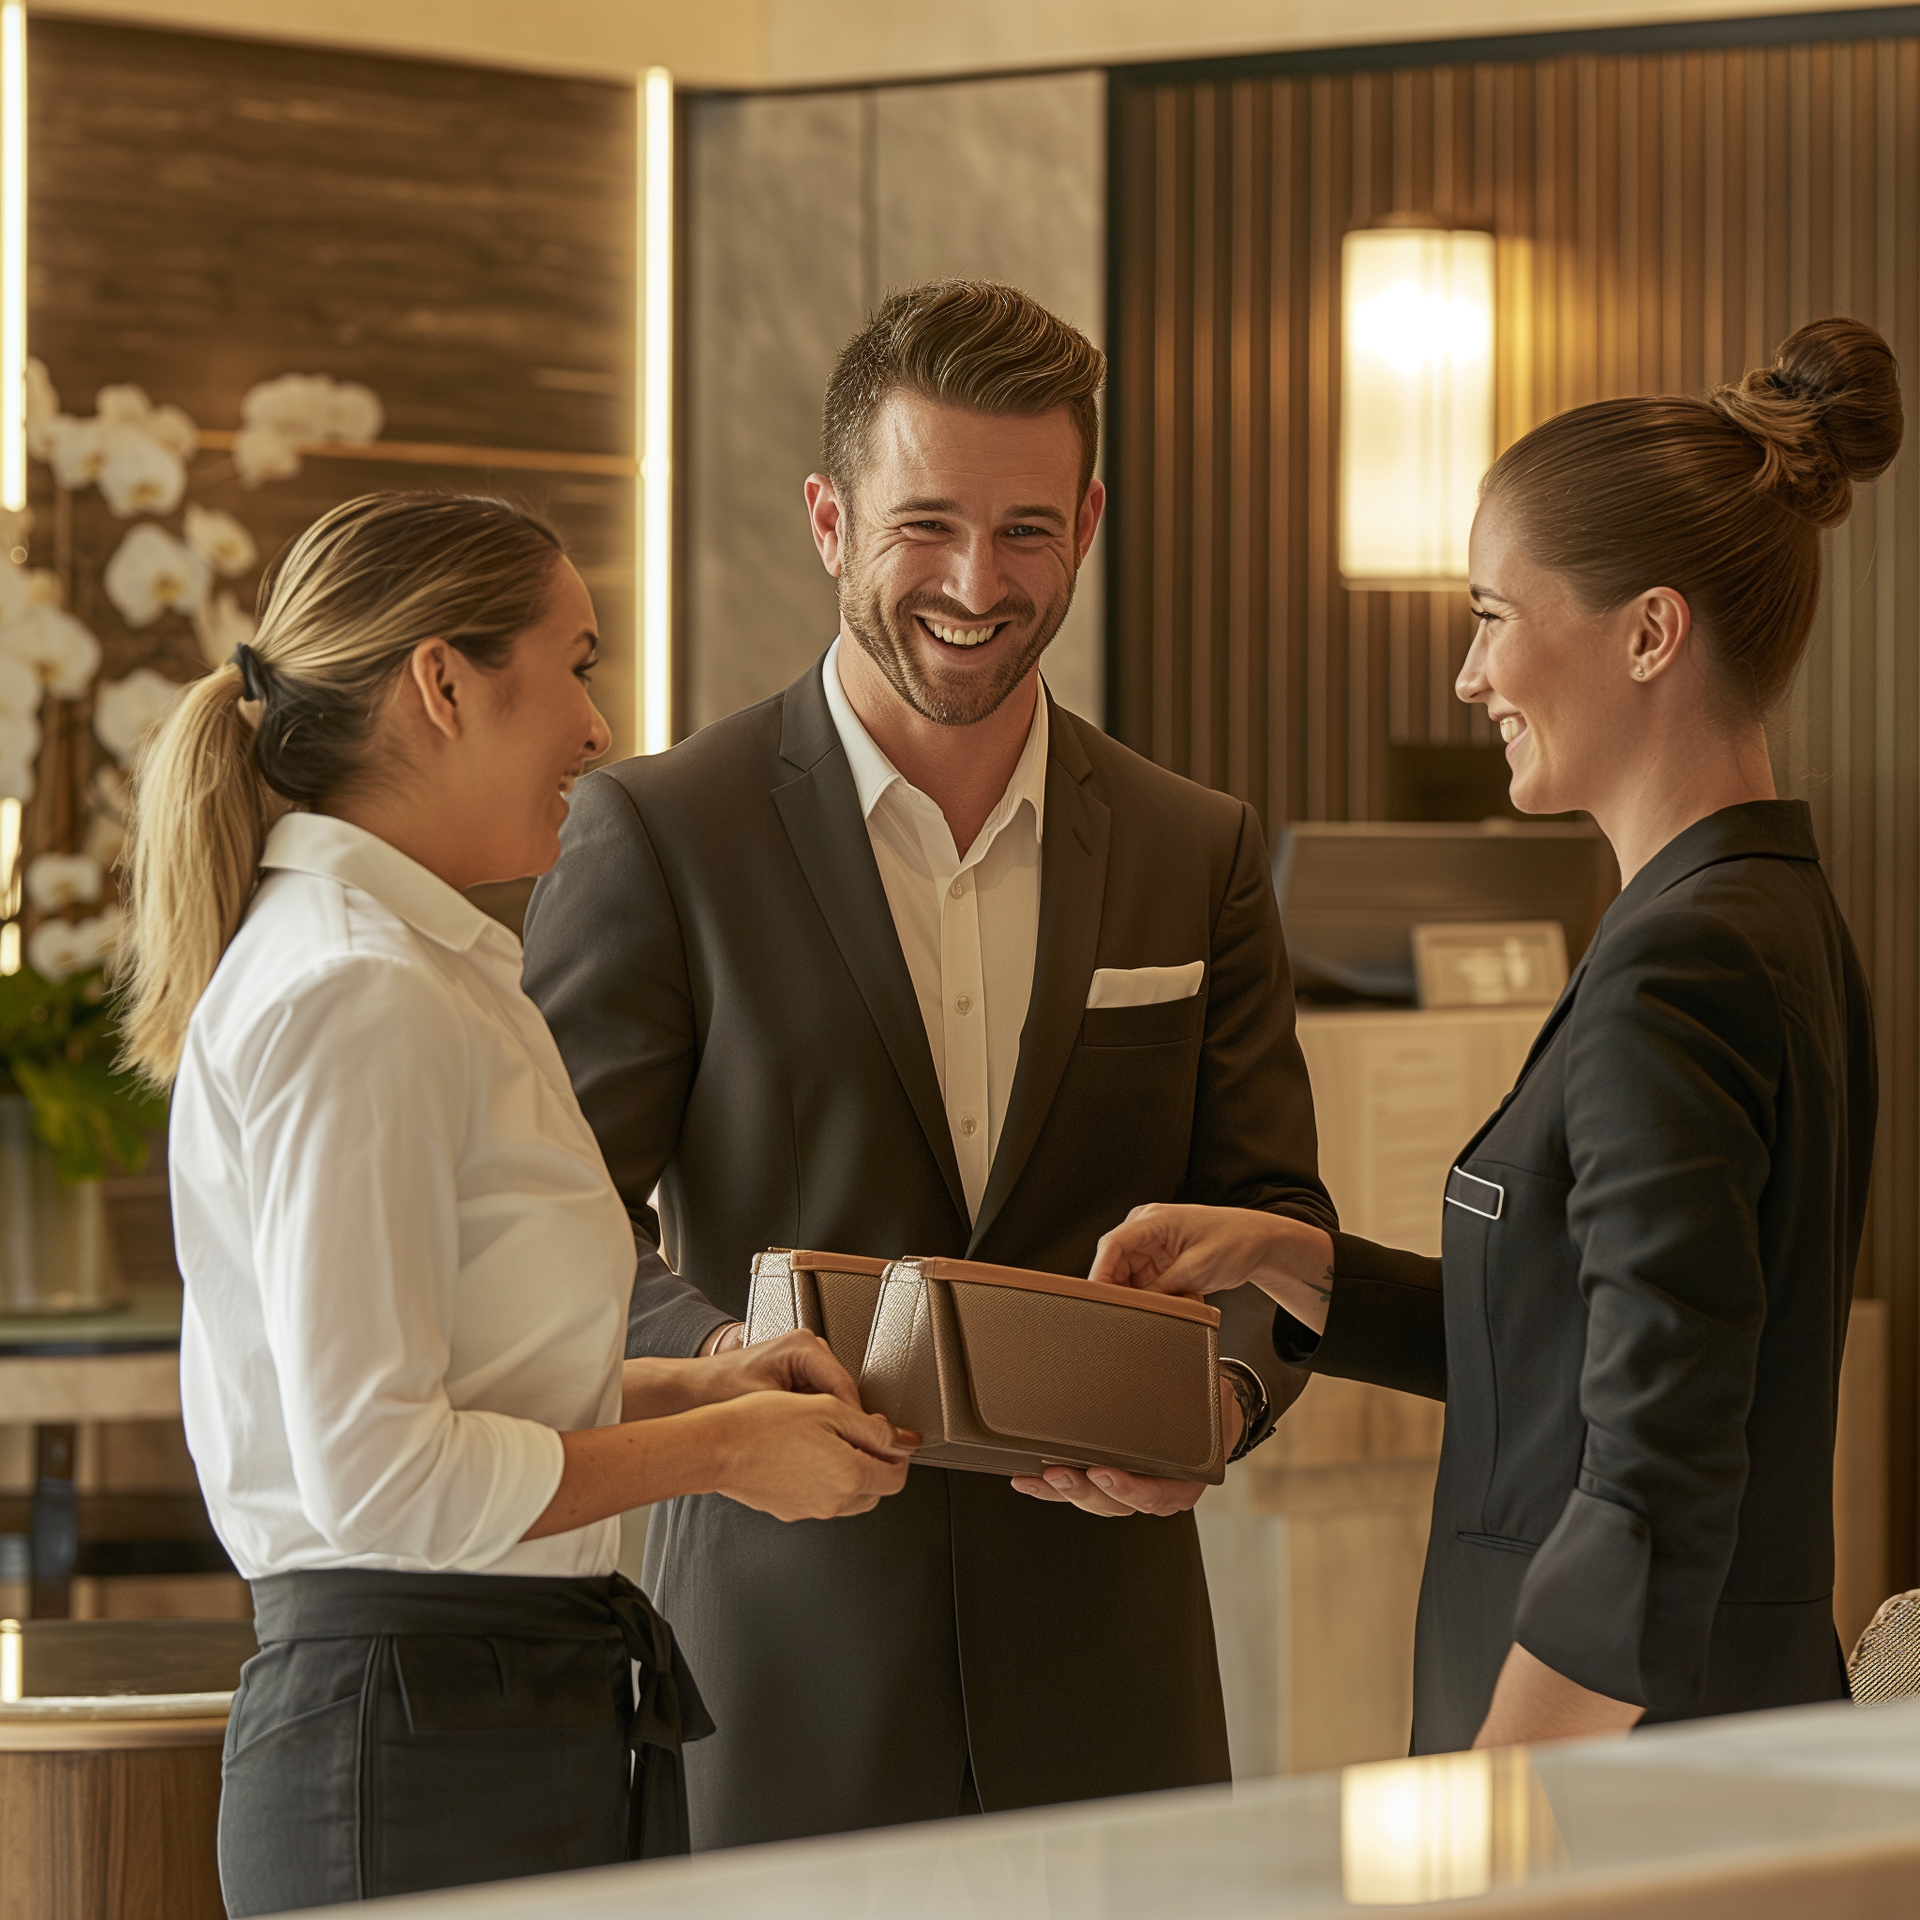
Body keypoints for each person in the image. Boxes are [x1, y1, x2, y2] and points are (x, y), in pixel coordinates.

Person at [521, 279, 1334, 1845]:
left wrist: (1222, 1398)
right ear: (830, 519)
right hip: (780, 1663)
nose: (977, 581)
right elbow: (563, 1224)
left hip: (1116, 1677)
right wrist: (731, 1371)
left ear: (1090, 521)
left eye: (1029, 530)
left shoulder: (1196, 846)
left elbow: (1268, 1208)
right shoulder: (663, 833)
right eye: (927, 525)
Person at [1090, 317, 1902, 1754]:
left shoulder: (1684, 965)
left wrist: (1502, 1802)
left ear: (1651, 632)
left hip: (1619, 1766)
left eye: (1490, 616)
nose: (1468, 678)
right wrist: (1294, 1256)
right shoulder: (1767, 914)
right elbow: (1575, 1345)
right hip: (1697, 1737)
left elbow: (1656, 1459)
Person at [119, 492, 914, 1916]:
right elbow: (380, 1473)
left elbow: (457, 1384)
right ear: (442, 683)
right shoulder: (355, 988)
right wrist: (726, 1452)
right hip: (417, 1740)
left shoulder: (409, 966)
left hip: (479, 1711)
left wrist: (687, 1392)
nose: (600, 730)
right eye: (579, 662)